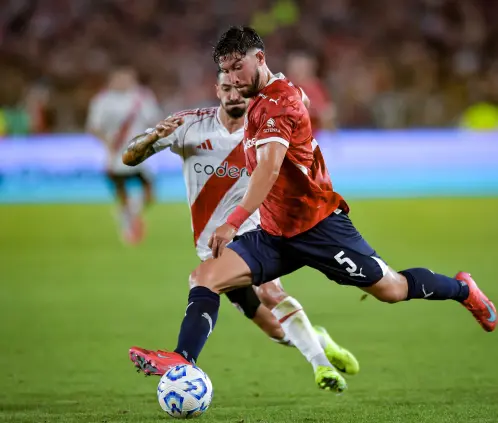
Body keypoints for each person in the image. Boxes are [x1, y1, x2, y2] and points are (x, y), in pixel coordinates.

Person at [128, 26, 496, 394]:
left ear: (260, 58)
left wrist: (232, 222)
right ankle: (182, 359)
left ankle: (464, 291)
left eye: (239, 67)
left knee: (393, 289)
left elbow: (269, 171)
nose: (234, 79)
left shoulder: (278, 104)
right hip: (274, 233)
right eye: (226, 71)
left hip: (318, 227)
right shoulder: (259, 99)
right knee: (205, 278)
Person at [123, 69, 359, 388]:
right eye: (226, 88)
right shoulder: (189, 125)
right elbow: (129, 157)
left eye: (238, 88)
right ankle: (319, 341)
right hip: (211, 245)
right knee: (275, 330)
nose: (234, 95)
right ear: (217, 90)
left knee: (271, 291)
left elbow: (296, 114)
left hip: (254, 232)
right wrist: (152, 137)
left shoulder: (266, 125)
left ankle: (320, 366)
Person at [87, 66, 162, 244]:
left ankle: (130, 212)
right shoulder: (103, 100)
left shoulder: (142, 97)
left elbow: (155, 120)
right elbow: (94, 127)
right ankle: (127, 219)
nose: (123, 82)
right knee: (121, 188)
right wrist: (107, 143)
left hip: (140, 152)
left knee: (150, 192)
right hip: (116, 153)